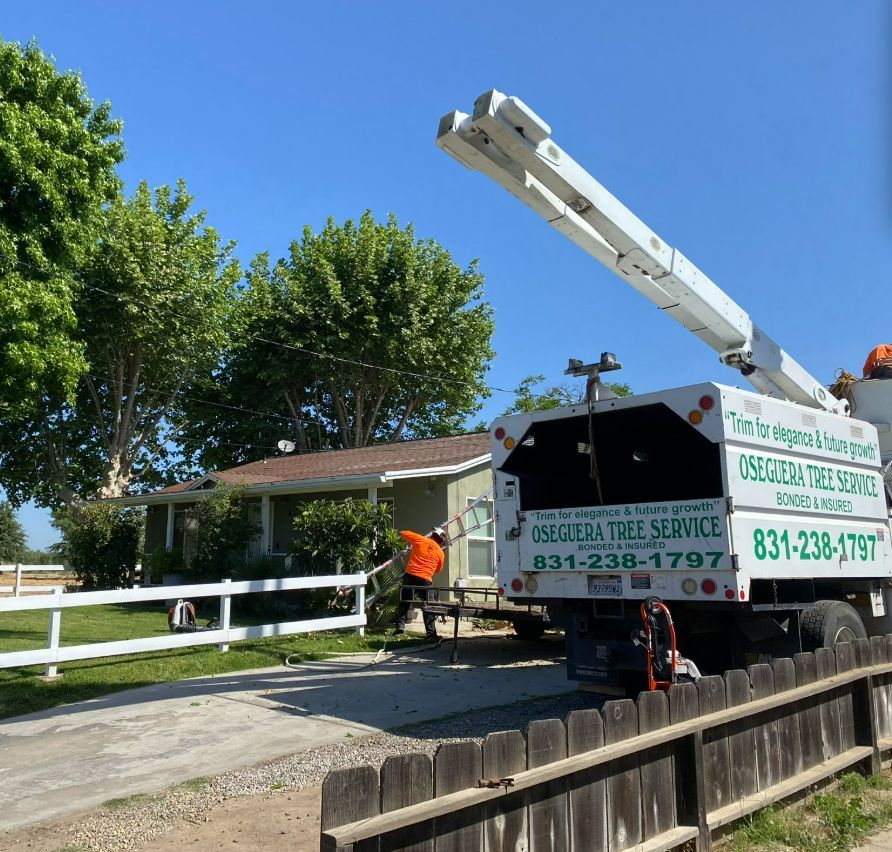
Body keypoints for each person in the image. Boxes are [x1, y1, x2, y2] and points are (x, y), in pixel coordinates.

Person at [394, 527, 447, 641]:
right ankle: (431, 634)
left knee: (405, 602)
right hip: (425, 580)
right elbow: (438, 569)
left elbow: (404, 533)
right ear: (441, 541)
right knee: (428, 606)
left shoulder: (421, 540)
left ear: (432, 535)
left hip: (410, 576)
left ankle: (400, 627)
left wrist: (400, 533)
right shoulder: (441, 553)